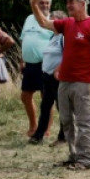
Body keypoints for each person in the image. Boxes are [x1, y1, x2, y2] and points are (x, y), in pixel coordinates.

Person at [31, 0, 90, 171]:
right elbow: (43, 22)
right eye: (67, 2)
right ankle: (73, 156)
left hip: (82, 81)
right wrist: (34, 5)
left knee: (83, 121)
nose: (68, 5)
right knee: (66, 120)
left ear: (83, 3)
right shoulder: (68, 24)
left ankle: (85, 158)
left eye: (72, 2)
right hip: (64, 82)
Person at [29, 10, 68, 146]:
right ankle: (39, 135)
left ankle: (63, 137)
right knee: (45, 106)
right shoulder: (53, 37)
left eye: (53, 19)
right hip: (47, 77)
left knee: (61, 107)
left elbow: (67, 57)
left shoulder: (63, 37)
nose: (50, 22)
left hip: (57, 78)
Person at [20, 0, 54, 138]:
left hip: (45, 63)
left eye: (47, 3)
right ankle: (33, 125)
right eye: (41, 2)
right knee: (25, 95)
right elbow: (24, 38)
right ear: (35, 3)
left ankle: (45, 128)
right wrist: (22, 59)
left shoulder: (53, 20)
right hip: (30, 64)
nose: (44, 5)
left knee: (46, 97)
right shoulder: (28, 18)